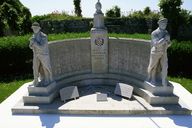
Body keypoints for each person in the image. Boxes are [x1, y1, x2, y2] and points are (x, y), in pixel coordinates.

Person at [147, 18, 171, 86]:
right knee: (153, 66)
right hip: (155, 52)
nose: (164, 25)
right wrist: (164, 39)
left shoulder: (166, 32)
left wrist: (168, 42)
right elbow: (156, 44)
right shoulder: (154, 33)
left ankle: (164, 80)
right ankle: (151, 78)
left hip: (164, 52)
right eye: (163, 23)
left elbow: (168, 44)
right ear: (159, 24)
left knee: (165, 67)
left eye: (165, 24)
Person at [29, 22, 53, 86]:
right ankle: (36, 81)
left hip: (43, 54)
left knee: (46, 67)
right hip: (36, 54)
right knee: (35, 67)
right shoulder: (33, 36)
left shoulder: (44, 36)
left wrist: (34, 43)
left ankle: (48, 80)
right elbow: (31, 46)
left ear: (39, 28)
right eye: (33, 28)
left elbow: (42, 47)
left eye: (36, 28)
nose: (34, 29)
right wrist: (31, 44)